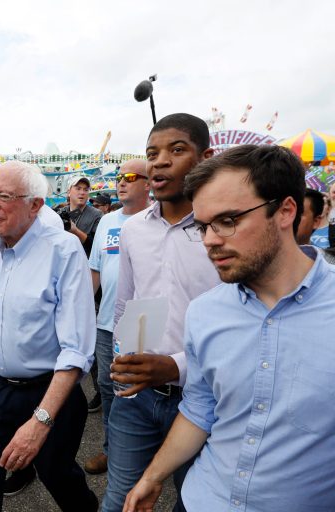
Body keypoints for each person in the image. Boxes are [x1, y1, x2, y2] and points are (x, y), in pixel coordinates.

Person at [124, 144, 335, 512]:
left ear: (285, 210)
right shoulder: (205, 312)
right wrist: (153, 476)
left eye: (227, 221)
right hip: (200, 499)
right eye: (204, 226)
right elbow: (200, 409)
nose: (210, 240)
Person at [102, 113, 221, 512]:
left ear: (207, 157)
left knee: (196, 502)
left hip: (208, 401)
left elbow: (241, 326)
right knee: (122, 501)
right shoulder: (133, 230)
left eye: (176, 150)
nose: (160, 162)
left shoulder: (222, 231)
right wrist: (124, 355)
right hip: (136, 399)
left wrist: (175, 367)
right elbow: (127, 303)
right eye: (151, 153)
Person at [0, 161, 98, 511]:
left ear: (35, 205)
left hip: (48, 389)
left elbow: (76, 349)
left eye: (4, 196)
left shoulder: (64, 251)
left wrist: (40, 421)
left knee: (57, 475)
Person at [84, 159, 150, 476]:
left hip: (143, 323)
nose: (121, 181)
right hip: (106, 322)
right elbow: (95, 269)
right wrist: (83, 309)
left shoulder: (157, 220)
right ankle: (113, 449)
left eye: (130, 176)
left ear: (150, 183)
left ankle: (149, 454)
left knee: (141, 391)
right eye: (118, 176)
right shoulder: (108, 222)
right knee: (107, 387)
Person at [58, 176, 103, 256]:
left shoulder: (97, 214)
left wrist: (75, 231)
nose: (82, 192)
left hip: (84, 264)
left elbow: (97, 247)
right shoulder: (60, 213)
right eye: (78, 188)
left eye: (86, 190)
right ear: (69, 192)